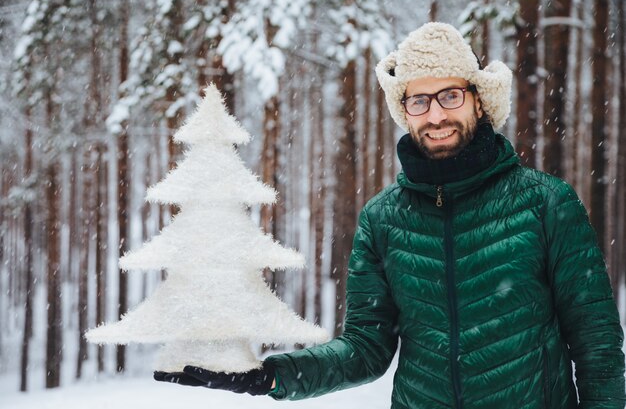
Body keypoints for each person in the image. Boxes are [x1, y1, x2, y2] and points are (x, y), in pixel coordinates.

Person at [154, 22, 625, 408]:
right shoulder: (383, 219)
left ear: (478, 101)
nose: (435, 114)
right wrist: (269, 376)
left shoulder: (545, 203)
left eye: (449, 96)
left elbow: (597, 343)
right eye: (418, 100)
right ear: (405, 111)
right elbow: (365, 349)